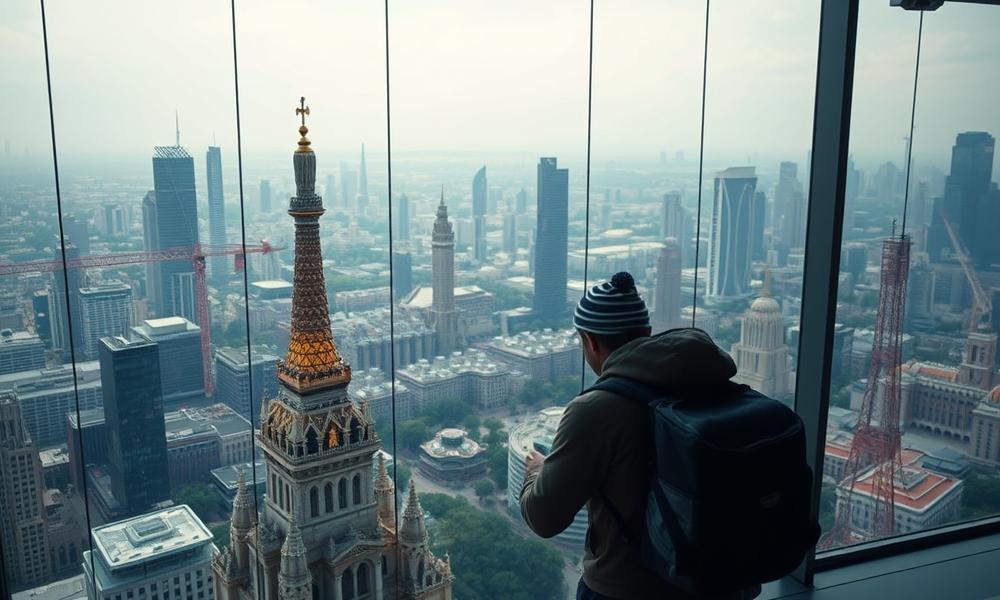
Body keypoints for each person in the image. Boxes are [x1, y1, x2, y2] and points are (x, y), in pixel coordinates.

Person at [519, 272, 751, 600]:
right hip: (718, 581)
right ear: (646, 332)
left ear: (591, 342)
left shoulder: (595, 410)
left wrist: (536, 472)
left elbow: (543, 518)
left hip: (628, 587)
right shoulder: (714, 384)